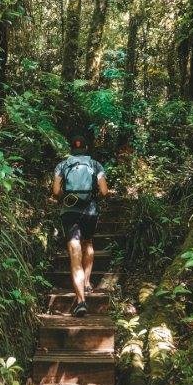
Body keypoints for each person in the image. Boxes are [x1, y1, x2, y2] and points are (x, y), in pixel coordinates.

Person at [52, 132, 109, 317]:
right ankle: (86, 282)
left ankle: (81, 301)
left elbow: (55, 191)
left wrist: (67, 198)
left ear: (72, 149)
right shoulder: (95, 164)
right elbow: (104, 191)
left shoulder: (62, 165)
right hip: (90, 211)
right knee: (88, 243)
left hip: (70, 212)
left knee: (74, 252)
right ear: (85, 149)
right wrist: (92, 199)